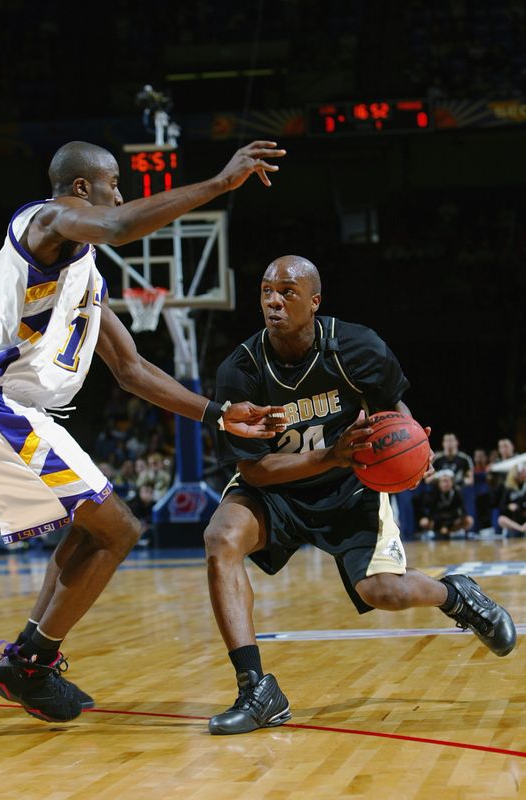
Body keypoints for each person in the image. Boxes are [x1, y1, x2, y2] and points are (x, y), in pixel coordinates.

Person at [0, 139, 288, 723]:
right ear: (82, 189)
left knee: (93, 528)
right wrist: (219, 185)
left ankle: (26, 659)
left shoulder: (82, 269)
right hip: (0, 406)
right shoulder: (43, 220)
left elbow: (131, 370)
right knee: (118, 530)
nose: (120, 193)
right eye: (114, 182)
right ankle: (30, 664)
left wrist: (216, 413)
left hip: (26, 414)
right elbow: (124, 224)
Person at [203, 254, 516, 736]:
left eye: (287, 291)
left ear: (315, 301)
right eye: (266, 290)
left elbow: (394, 408)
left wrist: (414, 447)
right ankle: (257, 689)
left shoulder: (354, 346)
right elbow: (254, 470)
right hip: (277, 486)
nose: (273, 301)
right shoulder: (240, 369)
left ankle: (456, 595)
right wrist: (327, 456)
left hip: (351, 487)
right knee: (221, 537)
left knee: (385, 592)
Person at [418, 470, 474, 539]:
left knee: (469, 520)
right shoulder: (435, 493)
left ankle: (453, 532)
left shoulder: (457, 493)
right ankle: (435, 532)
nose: (445, 484)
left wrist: (448, 526)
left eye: (447, 481)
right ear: (438, 483)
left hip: (452, 520)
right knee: (423, 522)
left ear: (452, 482)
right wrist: (441, 526)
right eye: (442, 481)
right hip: (439, 521)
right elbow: (431, 513)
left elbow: (463, 511)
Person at [497, 463, 526, 536]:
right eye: (522, 472)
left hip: (523, 517)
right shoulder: (508, 489)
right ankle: (521, 529)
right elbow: (501, 507)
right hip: (513, 520)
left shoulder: (524, 487)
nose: (523, 475)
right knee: (501, 519)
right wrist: (509, 507)